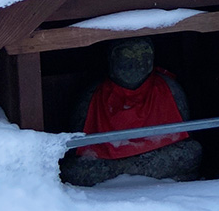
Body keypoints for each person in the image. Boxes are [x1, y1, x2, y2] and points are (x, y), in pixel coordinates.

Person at [60, 37, 202, 186]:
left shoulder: (168, 89)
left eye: (143, 54)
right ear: (111, 59)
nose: (137, 61)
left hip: (154, 150)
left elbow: (186, 139)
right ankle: (131, 171)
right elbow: (76, 147)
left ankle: (123, 172)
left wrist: (122, 165)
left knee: (192, 152)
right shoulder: (93, 95)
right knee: (74, 170)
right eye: (127, 54)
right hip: (110, 156)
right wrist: (140, 164)